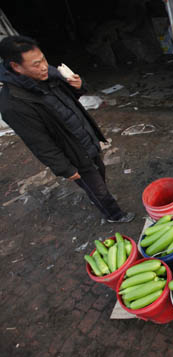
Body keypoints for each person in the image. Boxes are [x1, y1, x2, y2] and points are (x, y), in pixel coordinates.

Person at [0, 35, 135, 223]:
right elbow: (39, 143)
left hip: (86, 137)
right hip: (73, 153)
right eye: (36, 64)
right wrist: (65, 169)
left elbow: (71, 97)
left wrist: (79, 86)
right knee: (96, 187)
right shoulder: (13, 104)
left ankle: (100, 199)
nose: (44, 66)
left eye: (44, 59)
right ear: (16, 67)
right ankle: (114, 215)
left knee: (99, 175)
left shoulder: (49, 74)